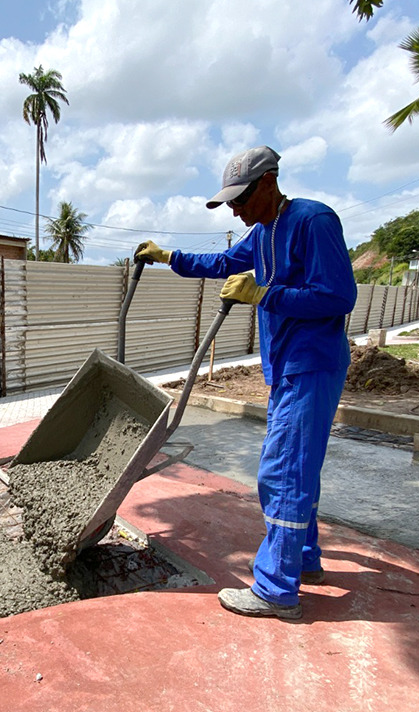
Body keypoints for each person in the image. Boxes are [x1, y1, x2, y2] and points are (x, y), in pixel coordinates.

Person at [134, 145, 357, 619]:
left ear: (269, 182)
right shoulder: (262, 232)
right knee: (297, 467)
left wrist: (263, 293)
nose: (235, 210)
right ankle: (305, 561)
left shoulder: (313, 221)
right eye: (230, 202)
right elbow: (222, 263)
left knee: (282, 472)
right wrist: (169, 256)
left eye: (240, 199)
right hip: (285, 367)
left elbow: (338, 296)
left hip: (311, 363)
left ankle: (276, 590)